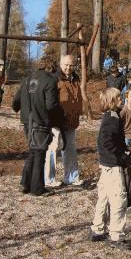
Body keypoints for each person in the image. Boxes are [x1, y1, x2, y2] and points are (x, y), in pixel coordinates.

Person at [90, 87, 131, 251]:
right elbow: (107, 142)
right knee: (118, 198)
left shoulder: (112, 116)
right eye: (119, 98)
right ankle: (116, 235)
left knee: (103, 196)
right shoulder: (112, 118)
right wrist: (122, 158)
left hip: (106, 163)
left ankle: (98, 228)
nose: (122, 99)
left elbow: (115, 140)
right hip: (112, 165)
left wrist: (125, 149)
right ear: (112, 102)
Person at [13, 55, 63, 196]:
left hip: (27, 120)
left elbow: (15, 102)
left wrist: (23, 110)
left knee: (33, 152)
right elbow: (51, 105)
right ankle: (37, 189)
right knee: (40, 153)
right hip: (40, 120)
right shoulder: (50, 80)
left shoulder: (27, 79)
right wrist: (58, 118)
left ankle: (25, 183)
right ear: (52, 67)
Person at [45, 54, 84, 187]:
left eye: (71, 65)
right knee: (52, 149)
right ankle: (49, 179)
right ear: (61, 64)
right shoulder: (54, 78)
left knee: (71, 149)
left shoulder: (75, 79)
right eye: (66, 65)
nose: (68, 67)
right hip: (56, 121)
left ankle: (71, 177)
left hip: (71, 121)